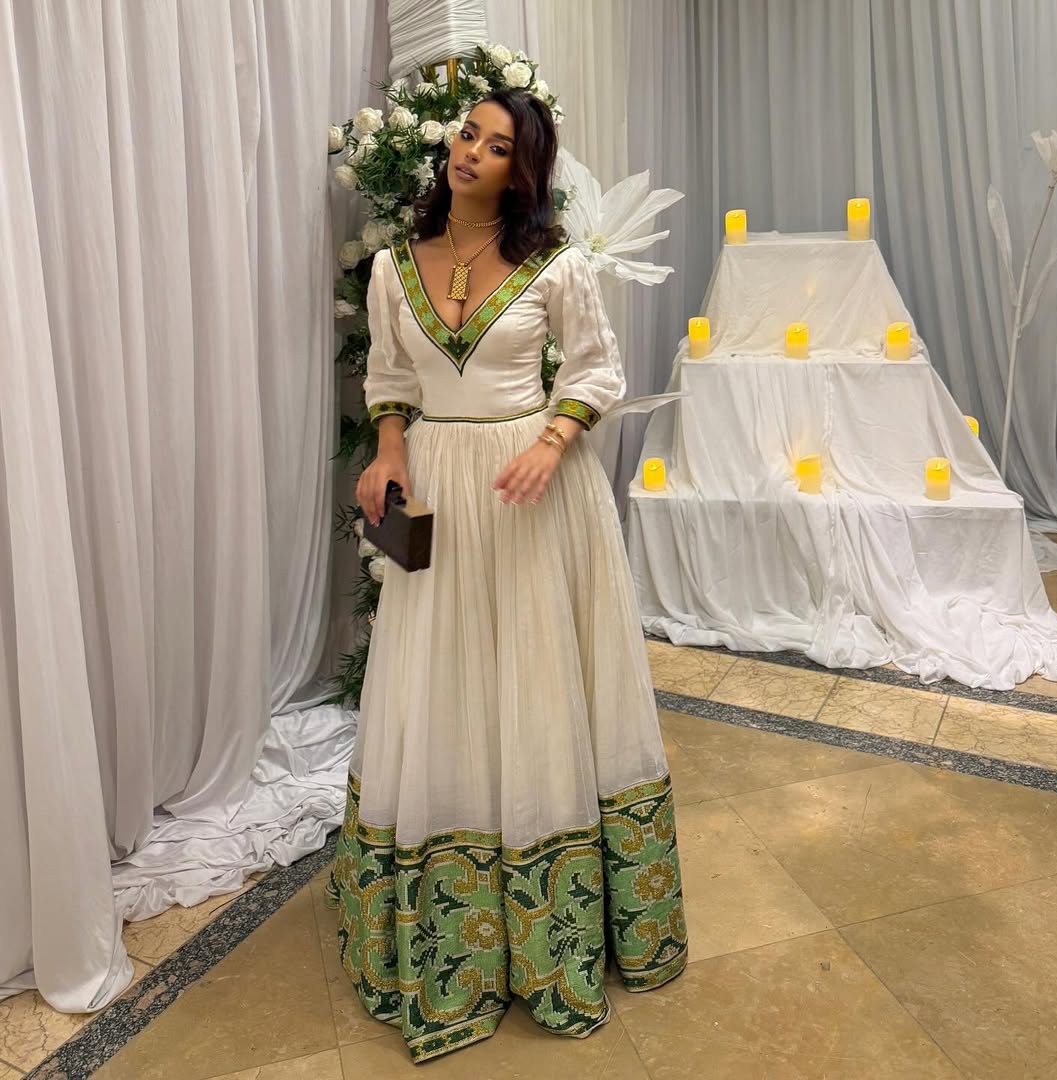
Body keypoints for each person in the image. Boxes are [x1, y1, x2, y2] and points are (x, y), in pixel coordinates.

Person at [326, 87, 687, 1064]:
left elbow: (598, 372)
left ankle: (553, 935)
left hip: (533, 494)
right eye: (467, 134)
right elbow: (391, 380)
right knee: (436, 680)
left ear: (524, 170)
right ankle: (451, 928)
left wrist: (557, 438)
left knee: (532, 681)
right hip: (437, 492)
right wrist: (388, 453)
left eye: (496, 144)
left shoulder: (553, 265)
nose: (471, 152)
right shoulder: (397, 270)